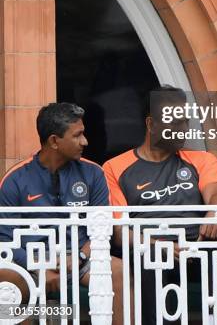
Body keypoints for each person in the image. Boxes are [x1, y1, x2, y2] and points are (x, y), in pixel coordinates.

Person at [103, 85, 217, 324]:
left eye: (185, 121)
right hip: (150, 248)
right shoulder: (114, 167)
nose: (183, 129)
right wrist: (158, 245)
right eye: (174, 122)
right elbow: (120, 232)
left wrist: (215, 212)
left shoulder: (201, 159)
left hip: (197, 246)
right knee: (147, 253)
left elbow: (216, 191)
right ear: (151, 124)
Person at [0, 102, 125, 325]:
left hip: (81, 258)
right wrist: (40, 265)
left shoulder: (93, 173)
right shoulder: (14, 179)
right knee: (6, 278)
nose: (85, 141)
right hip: (31, 261)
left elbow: (101, 229)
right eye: (77, 135)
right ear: (54, 141)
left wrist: (79, 257)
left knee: (117, 269)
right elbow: (4, 241)